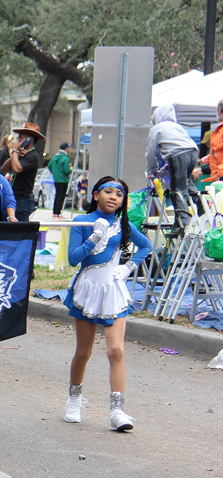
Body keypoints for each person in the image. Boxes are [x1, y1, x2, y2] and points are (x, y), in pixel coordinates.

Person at [63, 176, 152, 432]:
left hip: (113, 289)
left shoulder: (124, 223)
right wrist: (93, 239)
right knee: (84, 352)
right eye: (108, 192)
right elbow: (72, 259)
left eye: (119, 194)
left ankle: (117, 411)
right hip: (88, 289)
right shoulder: (82, 221)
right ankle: (74, 399)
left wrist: (129, 267)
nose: (114, 197)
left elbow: (145, 246)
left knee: (116, 351)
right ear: (95, 195)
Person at [146, 104, 200, 229]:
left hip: (178, 154)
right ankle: (198, 199)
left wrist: (153, 170)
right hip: (192, 151)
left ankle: (182, 221)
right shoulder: (177, 126)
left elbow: (151, 152)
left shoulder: (157, 129)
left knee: (177, 188)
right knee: (184, 180)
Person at [1, 122, 44, 222]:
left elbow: (17, 169)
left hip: (23, 199)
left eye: (20, 138)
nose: (17, 140)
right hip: (15, 197)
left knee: (20, 232)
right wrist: (16, 154)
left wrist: (15, 151)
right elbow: (4, 169)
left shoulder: (33, 156)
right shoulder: (21, 154)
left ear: (29, 139)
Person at [47, 142, 72, 219]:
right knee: (61, 196)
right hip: (63, 180)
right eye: (68, 147)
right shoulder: (65, 158)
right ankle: (58, 213)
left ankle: (55, 212)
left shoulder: (55, 157)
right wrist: (70, 170)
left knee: (57, 195)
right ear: (66, 148)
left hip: (56, 179)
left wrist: (54, 172)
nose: (69, 149)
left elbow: (49, 166)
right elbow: (66, 170)